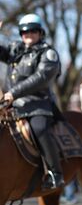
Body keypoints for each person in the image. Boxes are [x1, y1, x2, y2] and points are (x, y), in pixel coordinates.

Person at [0, 14, 64, 189]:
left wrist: (13, 93)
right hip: (10, 105)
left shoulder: (48, 53)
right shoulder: (15, 49)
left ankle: (55, 173)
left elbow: (41, 78)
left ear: (40, 32)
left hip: (38, 105)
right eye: (24, 31)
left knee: (39, 128)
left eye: (33, 30)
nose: (28, 34)